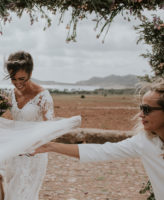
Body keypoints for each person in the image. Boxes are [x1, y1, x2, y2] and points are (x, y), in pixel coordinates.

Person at [34, 78, 164, 199]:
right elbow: (101, 151)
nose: (140, 115)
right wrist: (51, 146)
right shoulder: (145, 142)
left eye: (147, 109)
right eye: (141, 108)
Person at [0, 51, 55, 200]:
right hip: (14, 154)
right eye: (13, 79)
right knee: (11, 193)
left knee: (25, 195)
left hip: (34, 155)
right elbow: (10, 121)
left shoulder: (43, 96)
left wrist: (32, 146)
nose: (18, 83)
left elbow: (50, 130)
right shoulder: (11, 94)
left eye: (22, 78)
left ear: (31, 72)